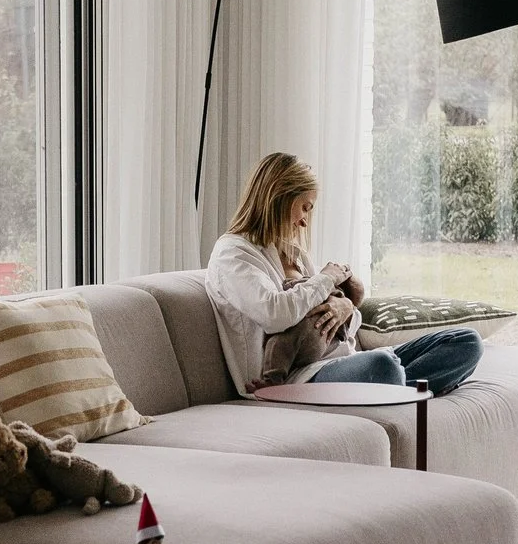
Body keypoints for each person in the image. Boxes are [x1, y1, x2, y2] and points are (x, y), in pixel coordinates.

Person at [204, 151, 483, 397]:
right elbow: (275, 314)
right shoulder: (233, 253)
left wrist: (345, 307)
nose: (304, 220)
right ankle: (403, 388)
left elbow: (343, 325)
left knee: (466, 342)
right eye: (304, 207)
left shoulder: (292, 253)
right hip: (299, 378)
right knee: (383, 368)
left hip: (347, 361)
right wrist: (325, 278)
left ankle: (395, 389)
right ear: (278, 199)